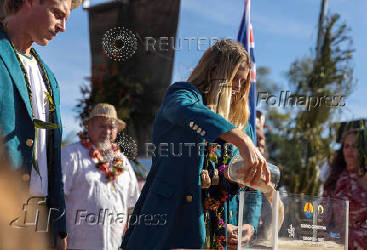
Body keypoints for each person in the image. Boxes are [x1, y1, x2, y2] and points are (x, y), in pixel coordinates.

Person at [121, 39, 270, 250]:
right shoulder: (182, 95)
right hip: (168, 230)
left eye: (243, 81)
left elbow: (253, 182)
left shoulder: (242, 124)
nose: (238, 88)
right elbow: (185, 110)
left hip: (223, 238)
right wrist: (240, 139)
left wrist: (249, 225)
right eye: (234, 78)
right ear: (213, 71)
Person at [0, 0, 81, 249]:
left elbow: (52, 156)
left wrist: (59, 229)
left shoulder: (51, 79)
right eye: (58, 14)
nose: (63, 27)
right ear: (31, 0)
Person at [61, 104, 139, 250]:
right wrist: (59, 236)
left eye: (112, 127)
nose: (107, 131)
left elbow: (132, 205)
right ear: (89, 126)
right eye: (102, 126)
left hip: (116, 245)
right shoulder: (71, 155)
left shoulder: (123, 162)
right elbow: (56, 200)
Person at [323, 127, 367, 250]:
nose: (350, 150)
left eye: (355, 146)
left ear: (364, 150)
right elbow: (323, 219)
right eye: (346, 146)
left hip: (364, 245)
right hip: (336, 244)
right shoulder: (334, 180)